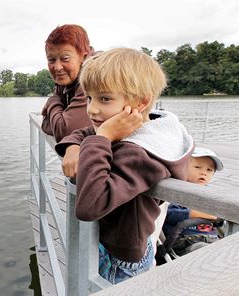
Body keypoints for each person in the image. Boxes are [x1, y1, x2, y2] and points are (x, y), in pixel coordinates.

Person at [54, 48, 194, 284]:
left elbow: (90, 205)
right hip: (114, 243)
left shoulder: (141, 153)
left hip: (123, 262)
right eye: (89, 97)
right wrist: (73, 147)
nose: (91, 109)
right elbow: (84, 132)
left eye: (105, 98)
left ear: (141, 102)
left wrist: (103, 138)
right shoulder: (135, 128)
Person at [162, 147, 225, 256]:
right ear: (182, 168)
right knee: (206, 252)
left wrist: (218, 217)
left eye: (209, 170)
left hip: (211, 237)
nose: (203, 173)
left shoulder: (210, 195)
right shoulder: (176, 190)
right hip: (185, 240)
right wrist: (194, 214)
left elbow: (219, 222)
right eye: (197, 167)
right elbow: (167, 214)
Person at [41, 24, 96, 142]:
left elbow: (65, 133)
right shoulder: (67, 79)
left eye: (65, 58)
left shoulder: (93, 76)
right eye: (51, 60)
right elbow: (45, 124)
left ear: (83, 56)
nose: (57, 67)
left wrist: (52, 100)